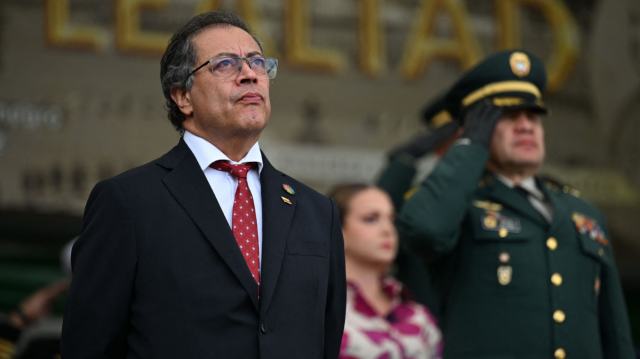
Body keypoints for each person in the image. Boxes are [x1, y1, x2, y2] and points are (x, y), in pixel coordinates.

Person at [61, 11, 346, 359]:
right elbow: (89, 345)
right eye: (226, 64)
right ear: (182, 96)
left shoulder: (317, 211)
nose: (249, 76)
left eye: (257, 63)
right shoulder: (129, 201)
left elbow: (326, 340)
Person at [398, 50, 636, 359]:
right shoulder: (459, 205)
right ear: (476, 129)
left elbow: (614, 329)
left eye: (533, 116)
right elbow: (424, 231)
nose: (526, 126)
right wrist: (469, 148)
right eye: (509, 116)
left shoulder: (584, 213)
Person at [329, 184, 442, 359]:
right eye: (371, 219)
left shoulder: (417, 314)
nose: (388, 230)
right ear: (336, 231)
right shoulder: (319, 311)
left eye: (392, 220)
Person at [376, 96, 460, 316]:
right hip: (423, 325)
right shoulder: (419, 196)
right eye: (447, 141)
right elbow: (375, 217)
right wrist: (405, 160)